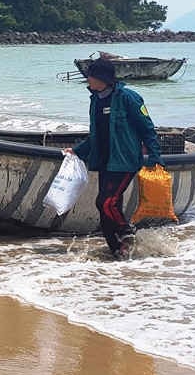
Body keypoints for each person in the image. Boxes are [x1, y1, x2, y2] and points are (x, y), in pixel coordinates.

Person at [65, 58, 164, 260]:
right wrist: (77, 151)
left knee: (106, 202)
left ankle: (127, 233)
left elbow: (147, 128)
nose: (87, 80)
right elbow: (96, 135)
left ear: (102, 78)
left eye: (90, 76)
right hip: (105, 160)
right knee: (106, 207)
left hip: (125, 160)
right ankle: (117, 251)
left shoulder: (129, 97)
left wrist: (154, 157)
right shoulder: (96, 100)